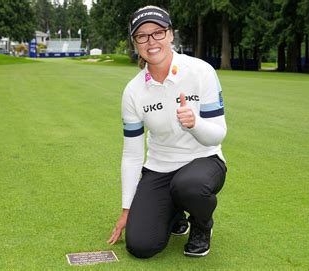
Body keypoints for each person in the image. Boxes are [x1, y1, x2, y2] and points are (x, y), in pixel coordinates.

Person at [107, 5, 227, 258]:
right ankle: (174, 211)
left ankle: (202, 225)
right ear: (135, 43)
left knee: (189, 186)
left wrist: (195, 123)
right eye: (142, 35)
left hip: (204, 160)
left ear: (171, 35)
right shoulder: (133, 91)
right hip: (160, 168)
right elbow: (132, 154)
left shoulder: (201, 71)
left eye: (158, 32)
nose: (151, 41)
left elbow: (217, 134)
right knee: (140, 245)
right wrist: (127, 209)